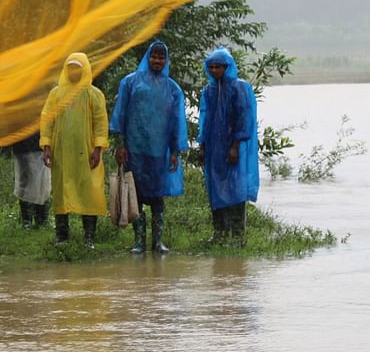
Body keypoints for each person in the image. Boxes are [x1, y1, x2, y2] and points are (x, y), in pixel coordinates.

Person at [109, 40, 187, 253]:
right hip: (134, 149)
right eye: (154, 56)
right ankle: (139, 241)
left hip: (159, 151)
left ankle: (157, 242)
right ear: (147, 57)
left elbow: (177, 123)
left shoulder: (173, 89)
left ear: (166, 60)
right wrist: (120, 145)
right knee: (137, 193)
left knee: (157, 195)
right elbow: (120, 115)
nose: (157, 61)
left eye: (161, 57)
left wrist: (175, 151)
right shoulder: (131, 82)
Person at [40, 53, 108, 247]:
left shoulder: (94, 94)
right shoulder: (56, 94)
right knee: (62, 190)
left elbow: (101, 123)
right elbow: (47, 120)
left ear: (85, 68)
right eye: (70, 67)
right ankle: (62, 236)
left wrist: (97, 149)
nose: (74, 71)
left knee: (89, 190)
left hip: (86, 153)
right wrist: (46, 146)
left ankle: (89, 238)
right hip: (61, 153)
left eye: (77, 67)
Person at [197, 47, 259, 245]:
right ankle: (219, 233)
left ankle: (238, 235)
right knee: (215, 188)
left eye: (219, 67)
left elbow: (244, 118)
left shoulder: (240, 88)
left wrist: (235, 146)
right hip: (214, 148)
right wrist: (202, 144)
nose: (215, 70)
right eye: (212, 67)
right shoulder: (208, 90)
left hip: (233, 147)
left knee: (236, 188)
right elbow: (204, 119)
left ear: (227, 67)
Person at [12, 132, 50, 228]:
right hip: (22, 145)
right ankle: (27, 220)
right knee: (24, 183)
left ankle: (41, 219)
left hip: (39, 145)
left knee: (41, 183)